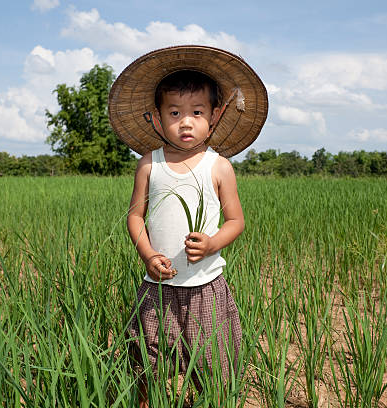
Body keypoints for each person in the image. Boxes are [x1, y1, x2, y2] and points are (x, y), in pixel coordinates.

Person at [108, 45, 268, 406]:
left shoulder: (219, 166)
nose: (185, 121)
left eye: (196, 112)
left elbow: (236, 221)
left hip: (204, 287)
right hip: (158, 286)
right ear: (157, 116)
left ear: (215, 114)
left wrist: (212, 244)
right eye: (175, 112)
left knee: (212, 364)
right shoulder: (151, 164)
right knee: (146, 359)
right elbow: (135, 216)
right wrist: (147, 254)